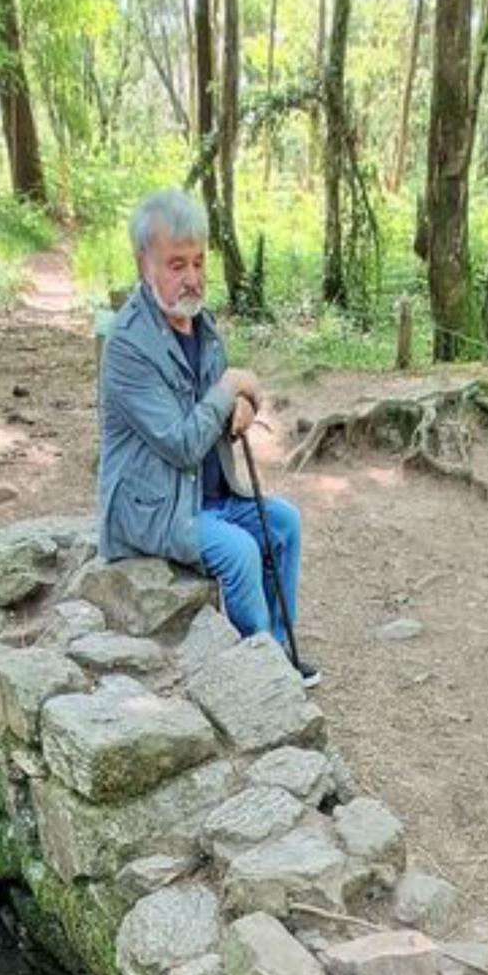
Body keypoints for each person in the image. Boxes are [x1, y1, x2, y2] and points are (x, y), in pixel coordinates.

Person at [98, 187, 317, 686]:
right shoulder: (129, 346)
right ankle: (259, 677)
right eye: (177, 265)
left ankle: (277, 649)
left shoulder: (202, 326)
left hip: (210, 491)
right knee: (239, 551)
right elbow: (178, 439)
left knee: (282, 523)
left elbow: (222, 403)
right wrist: (229, 389)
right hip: (154, 506)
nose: (192, 278)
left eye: (198, 262)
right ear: (143, 263)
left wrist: (243, 402)